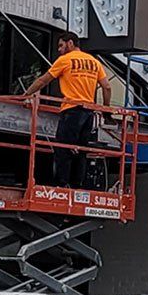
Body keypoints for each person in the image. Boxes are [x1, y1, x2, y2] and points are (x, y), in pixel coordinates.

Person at [28, 39, 111, 187]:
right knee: (81, 150)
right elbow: (107, 87)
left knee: (63, 148)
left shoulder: (65, 60)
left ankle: (62, 184)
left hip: (71, 109)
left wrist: (26, 94)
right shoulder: (94, 62)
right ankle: (76, 185)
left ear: (70, 43)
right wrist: (106, 110)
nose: (59, 49)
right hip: (88, 112)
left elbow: (43, 81)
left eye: (61, 45)